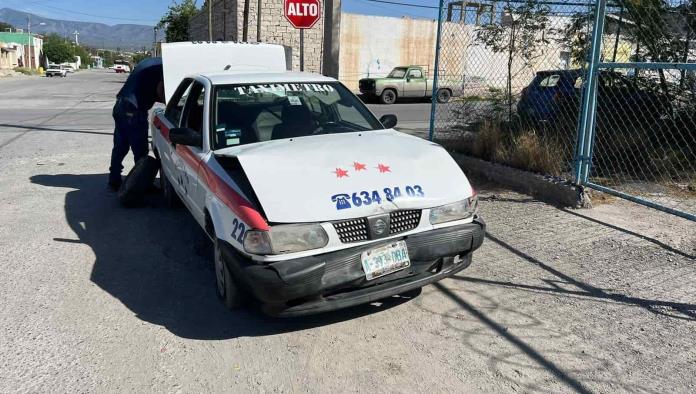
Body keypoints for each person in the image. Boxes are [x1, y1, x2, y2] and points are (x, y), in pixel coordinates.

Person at [108, 57, 165, 191]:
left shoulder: (151, 62)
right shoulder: (162, 68)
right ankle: (142, 185)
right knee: (141, 152)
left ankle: (114, 181)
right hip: (134, 110)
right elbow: (161, 90)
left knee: (120, 147)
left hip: (121, 105)